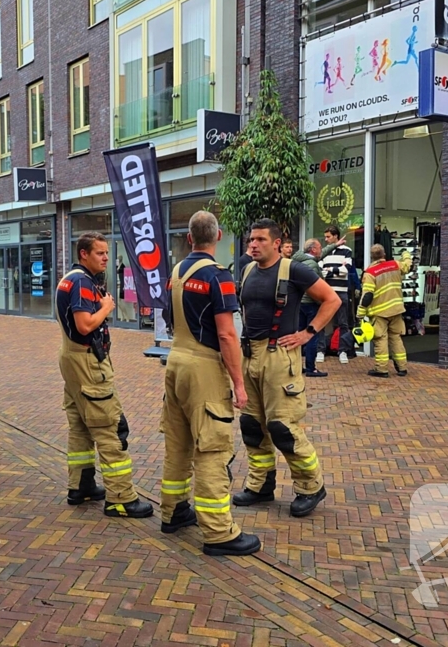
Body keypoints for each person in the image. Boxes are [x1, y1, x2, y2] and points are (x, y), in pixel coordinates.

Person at [161, 211, 261, 556]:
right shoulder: (218, 276)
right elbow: (226, 334)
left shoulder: (176, 273)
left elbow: (169, 318)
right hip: (204, 367)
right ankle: (219, 532)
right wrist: (239, 383)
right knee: (212, 447)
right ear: (217, 237)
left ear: (190, 238)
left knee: (178, 443)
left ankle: (173, 511)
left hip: (175, 362)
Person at [234, 219, 341, 518]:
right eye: (250, 240)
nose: (253, 245)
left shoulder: (293, 269)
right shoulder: (247, 270)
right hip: (250, 355)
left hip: (279, 356)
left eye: (259, 240)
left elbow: (331, 300)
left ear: (277, 243)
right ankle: (261, 484)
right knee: (252, 426)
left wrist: (308, 332)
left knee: (283, 427)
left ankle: (310, 487)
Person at [56, 232, 153, 518]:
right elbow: (85, 325)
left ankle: (81, 486)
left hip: (71, 359)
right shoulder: (83, 282)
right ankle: (121, 498)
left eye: (107, 253)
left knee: (81, 426)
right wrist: (107, 307)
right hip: (88, 363)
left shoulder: (69, 278)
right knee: (110, 427)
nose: (106, 258)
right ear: (84, 254)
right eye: (99, 253)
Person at [358, 244, 412, 378]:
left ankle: (381, 369)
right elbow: (407, 265)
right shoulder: (395, 265)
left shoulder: (370, 273)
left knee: (380, 339)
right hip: (396, 309)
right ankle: (402, 367)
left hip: (379, 312)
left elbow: (367, 295)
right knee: (396, 338)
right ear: (384, 255)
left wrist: (360, 313)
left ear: (372, 257)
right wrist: (406, 253)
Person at [318, 225, 355, 365]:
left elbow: (347, 270)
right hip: (326, 291)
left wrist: (330, 269)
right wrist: (337, 269)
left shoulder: (347, 251)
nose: (326, 239)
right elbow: (321, 271)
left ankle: (343, 351)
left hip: (341, 291)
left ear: (336, 236)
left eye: (328, 237)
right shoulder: (324, 252)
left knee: (343, 322)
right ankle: (320, 350)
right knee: (321, 321)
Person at [296, 239, 327, 378]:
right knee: (311, 335)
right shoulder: (313, 266)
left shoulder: (298, 261)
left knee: (298, 335)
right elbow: (314, 288)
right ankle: (311, 368)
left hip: (300, 303)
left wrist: (335, 245)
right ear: (313, 250)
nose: (321, 249)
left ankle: (297, 365)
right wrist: (321, 302)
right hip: (310, 303)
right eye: (320, 247)